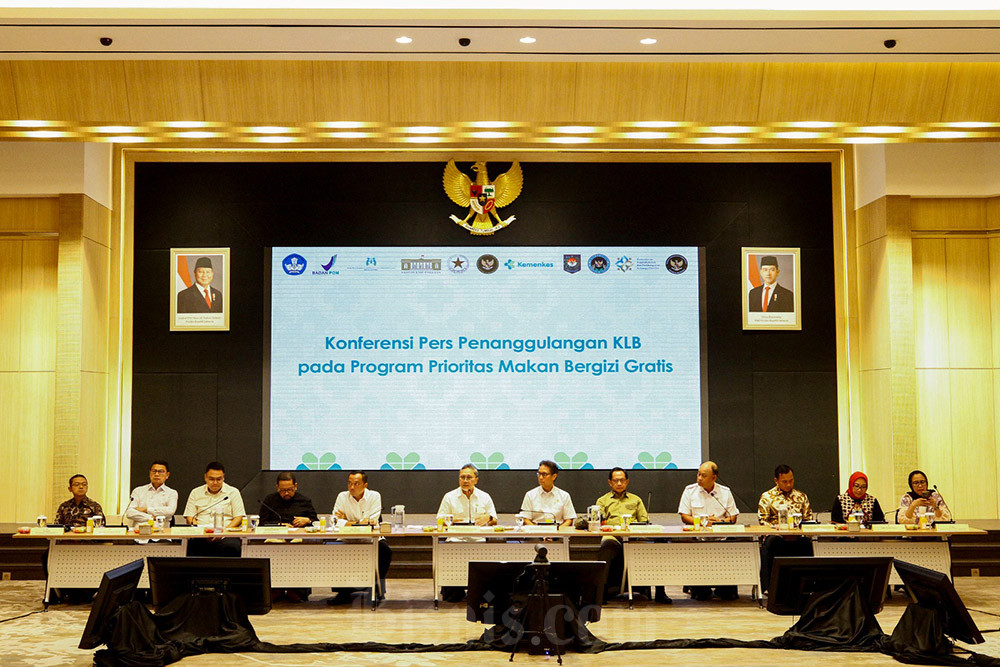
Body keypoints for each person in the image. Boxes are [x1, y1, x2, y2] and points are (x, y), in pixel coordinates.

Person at [594, 468, 670, 604]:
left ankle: (660, 592)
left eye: (622, 480)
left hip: (634, 538)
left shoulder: (636, 500)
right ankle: (601, 593)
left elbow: (645, 521)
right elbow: (598, 521)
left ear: (627, 481)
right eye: (615, 480)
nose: (619, 483)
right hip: (613, 537)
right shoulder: (602, 501)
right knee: (606, 545)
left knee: (658, 547)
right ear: (610, 482)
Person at [328, 470, 393, 606]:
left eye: (356, 484)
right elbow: (334, 520)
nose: (351, 487)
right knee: (334, 550)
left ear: (365, 485)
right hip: (347, 538)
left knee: (385, 551)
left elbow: (371, 522)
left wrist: (347, 521)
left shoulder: (374, 496)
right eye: (349, 483)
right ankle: (343, 592)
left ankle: (376, 589)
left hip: (370, 538)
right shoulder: (342, 496)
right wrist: (358, 522)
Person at [436, 463, 498, 603]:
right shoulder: (449, 497)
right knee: (452, 598)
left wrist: (488, 518)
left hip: (478, 540)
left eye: (469, 477)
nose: (465, 480)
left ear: (476, 479)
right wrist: (449, 520)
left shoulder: (484, 497)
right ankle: (453, 590)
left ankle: (479, 591)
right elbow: (439, 519)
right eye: (462, 477)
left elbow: (494, 520)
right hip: (455, 539)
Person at [678, 460, 739, 601]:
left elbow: (733, 516)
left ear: (714, 477)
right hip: (698, 539)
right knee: (701, 596)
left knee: (728, 596)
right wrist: (703, 521)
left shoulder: (725, 492)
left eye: (703, 475)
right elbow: (684, 516)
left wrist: (718, 523)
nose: (699, 478)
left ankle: (725, 587)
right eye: (698, 474)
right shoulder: (690, 491)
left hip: (722, 539)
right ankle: (700, 587)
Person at [258, 471, 318, 603]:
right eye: (282, 490)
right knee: (271, 546)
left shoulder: (304, 501)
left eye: (289, 490)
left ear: (295, 486)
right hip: (275, 536)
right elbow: (262, 523)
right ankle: (275, 588)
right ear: (277, 488)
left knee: (299, 548)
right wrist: (279, 525)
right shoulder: (269, 500)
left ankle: (296, 589)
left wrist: (307, 520)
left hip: (298, 537)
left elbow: (316, 522)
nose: (286, 493)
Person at [757, 464, 814, 592]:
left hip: (797, 536)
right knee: (771, 543)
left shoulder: (801, 496)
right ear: (776, 481)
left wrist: (799, 531)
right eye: (784, 481)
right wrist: (776, 528)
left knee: (807, 543)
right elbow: (763, 521)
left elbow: (808, 520)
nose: (788, 484)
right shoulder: (767, 497)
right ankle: (768, 587)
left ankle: (807, 586)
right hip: (776, 536)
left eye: (791, 480)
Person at [183, 461, 245, 556]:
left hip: (226, 535)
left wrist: (223, 532)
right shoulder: (195, 492)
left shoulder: (233, 492)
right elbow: (190, 517)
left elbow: (238, 517)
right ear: (205, 477)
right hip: (201, 535)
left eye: (219, 479)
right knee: (189, 546)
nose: (215, 483)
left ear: (223, 477)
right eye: (211, 479)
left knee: (232, 547)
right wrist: (201, 532)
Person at [520, 459, 576, 528]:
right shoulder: (530, 495)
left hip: (558, 531)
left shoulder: (564, 496)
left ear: (554, 476)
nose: (540, 477)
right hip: (535, 531)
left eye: (544, 474)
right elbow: (525, 518)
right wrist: (537, 530)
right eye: (539, 474)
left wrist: (557, 531)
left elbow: (569, 520)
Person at [125, 460, 178, 528]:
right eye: (154, 471)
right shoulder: (138, 491)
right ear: (149, 473)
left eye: (161, 471)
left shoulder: (171, 493)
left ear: (167, 475)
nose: (156, 474)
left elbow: (170, 511)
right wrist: (151, 517)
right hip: (140, 532)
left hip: (163, 531)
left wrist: (146, 509)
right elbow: (129, 513)